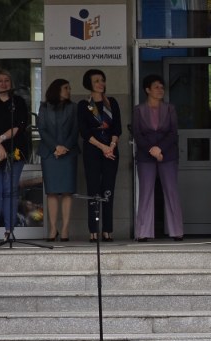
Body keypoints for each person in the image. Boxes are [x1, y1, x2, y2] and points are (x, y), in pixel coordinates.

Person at [132, 74, 184, 242]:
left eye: (162, 87)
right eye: (156, 87)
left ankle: (177, 231)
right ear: (147, 90)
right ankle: (143, 232)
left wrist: (159, 149)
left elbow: (173, 133)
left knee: (171, 191)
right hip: (145, 155)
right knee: (146, 192)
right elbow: (137, 133)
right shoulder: (138, 110)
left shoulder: (170, 109)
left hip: (167, 154)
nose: (160, 90)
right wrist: (152, 150)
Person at [78, 68, 122, 243]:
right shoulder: (84, 105)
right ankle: (93, 230)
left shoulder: (111, 103)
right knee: (93, 190)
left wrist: (111, 146)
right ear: (89, 84)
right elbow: (84, 131)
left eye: (102, 80)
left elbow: (117, 128)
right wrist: (102, 147)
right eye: (96, 81)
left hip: (111, 150)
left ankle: (108, 229)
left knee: (108, 189)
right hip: (93, 150)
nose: (101, 83)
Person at [37, 78, 78, 242]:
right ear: (57, 90)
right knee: (52, 192)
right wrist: (55, 147)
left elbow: (75, 130)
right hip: (49, 154)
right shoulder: (44, 107)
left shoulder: (73, 107)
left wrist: (64, 147)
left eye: (69, 88)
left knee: (67, 191)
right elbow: (41, 129)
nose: (69, 91)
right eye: (66, 88)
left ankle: (65, 228)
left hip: (68, 153)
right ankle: (53, 228)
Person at [0, 69, 29, 243]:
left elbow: (19, 126)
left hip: (15, 152)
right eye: (0, 81)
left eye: (6, 80)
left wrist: (1, 138)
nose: (3, 84)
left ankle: (9, 230)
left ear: (11, 83)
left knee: (10, 191)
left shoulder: (18, 102)